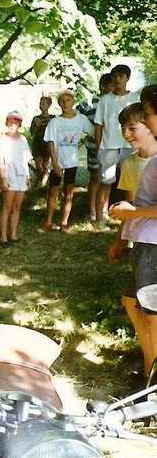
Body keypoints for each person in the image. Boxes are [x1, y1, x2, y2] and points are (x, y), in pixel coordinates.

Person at [108, 85, 157, 378]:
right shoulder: (131, 162)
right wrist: (120, 238)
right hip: (139, 240)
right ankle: (150, 366)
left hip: (153, 242)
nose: (127, 134)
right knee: (131, 301)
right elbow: (133, 206)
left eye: (136, 125)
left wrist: (132, 212)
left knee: (151, 311)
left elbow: (136, 208)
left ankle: (152, 377)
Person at [38, 90, 94, 233]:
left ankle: (64, 222)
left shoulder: (81, 119)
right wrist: (55, 163)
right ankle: (48, 222)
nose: (65, 103)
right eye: (62, 101)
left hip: (72, 162)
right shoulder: (55, 122)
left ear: (73, 102)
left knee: (68, 192)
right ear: (59, 104)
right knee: (53, 192)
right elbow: (50, 143)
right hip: (57, 162)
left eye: (68, 100)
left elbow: (92, 132)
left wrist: (81, 143)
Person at [94, 64, 140, 229]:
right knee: (105, 182)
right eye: (115, 76)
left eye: (121, 76)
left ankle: (131, 218)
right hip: (108, 146)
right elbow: (98, 124)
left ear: (128, 78)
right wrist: (99, 146)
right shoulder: (105, 100)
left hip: (129, 146)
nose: (118, 79)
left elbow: (140, 123)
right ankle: (99, 218)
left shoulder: (134, 98)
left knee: (130, 184)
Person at [0, 111, 32, 247]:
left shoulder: (23, 140)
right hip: (9, 176)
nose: (13, 124)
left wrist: (27, 175)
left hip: (21, 176)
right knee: (7, 206)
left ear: (20, 123)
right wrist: (3, 178)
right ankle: (3, 237)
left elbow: (25, 159)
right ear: (6, 122)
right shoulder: (2, 140)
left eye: (16, 121)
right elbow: (0, 162)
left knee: (16, 207)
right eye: (10, 121)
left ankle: (13, 235)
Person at [83, 73, 115, 219]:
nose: (114, 88)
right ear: (103, 86)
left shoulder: (113, 102)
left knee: (108, 179)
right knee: (95, 178)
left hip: (110, 146)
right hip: (94, 148)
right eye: (111, 85)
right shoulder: (91, 103)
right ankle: (91, 209)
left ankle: (104, 209)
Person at [30, 96, 54, 188]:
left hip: (48, 144)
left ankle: (43, 186)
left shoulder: (53, 118)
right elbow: (32, 132)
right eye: (40, 104)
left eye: (44, 104)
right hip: (38, 143)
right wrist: (36, 125)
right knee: (38, 166)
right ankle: (42, 184)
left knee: (46, 166)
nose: (41, 106)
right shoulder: (36, 118)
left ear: (49, 105)